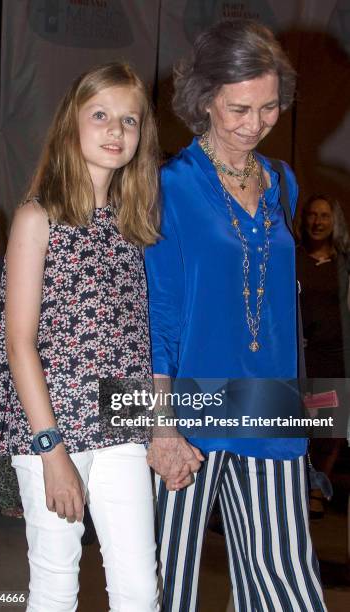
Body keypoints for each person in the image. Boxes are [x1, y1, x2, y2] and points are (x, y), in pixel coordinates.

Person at [145, 20, 327, 611]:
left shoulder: (282, 182)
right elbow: (159, 313)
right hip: (186, 407)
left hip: (268, 403)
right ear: (203, 102)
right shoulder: (166, 186)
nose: (255, 124)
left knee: (286, 584)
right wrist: (160, 425)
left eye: (269, 107)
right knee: (163, 582)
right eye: (239, 109)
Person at [0, 62, 160, 612]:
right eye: (101, 115)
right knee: (56, 584)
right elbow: (19, 343)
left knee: (139, 587)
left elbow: (137, 337)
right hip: (51, 426)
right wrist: (51, 450)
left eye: (129, 121)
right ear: (71, 124)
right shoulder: (39, 218)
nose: (115, 131)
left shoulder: (136, 225)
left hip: (122, 421)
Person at [296, 195, 350, 519]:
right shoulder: (294, 257)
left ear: (334, 222)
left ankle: (318, 490)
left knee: (331, 428)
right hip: (302, 354)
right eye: (313, 215)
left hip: (336, 354)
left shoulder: (344, 261)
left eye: (324, 216)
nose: (317, 222)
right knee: (300, 425)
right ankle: (297, 486)